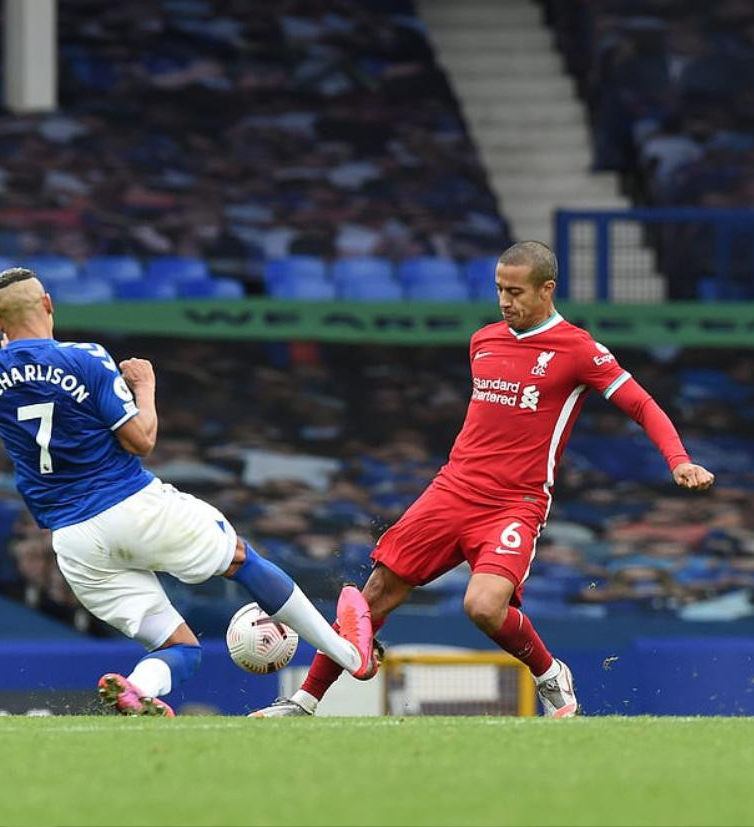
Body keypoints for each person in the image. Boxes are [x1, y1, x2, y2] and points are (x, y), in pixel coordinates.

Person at [252, 240, 715, 718]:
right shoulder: (484, 341)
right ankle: (304, 702)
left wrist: (677, 459)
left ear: (547, 290)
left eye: (515, 291)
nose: (505, 300)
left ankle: (550, 673)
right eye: (499, 289)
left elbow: (640, 403)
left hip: (515, 503)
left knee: (484, 607)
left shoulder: (578, 350)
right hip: (452, 490)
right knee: (372, 597)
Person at [0, 268, 377, 716]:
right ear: (48, 303)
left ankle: (138, 688)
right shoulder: (85, 358)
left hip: (73, 542)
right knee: (239, 558)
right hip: (130, 505)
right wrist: (145, 386)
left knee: (179, 646)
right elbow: (141, 440)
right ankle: (350, 656)